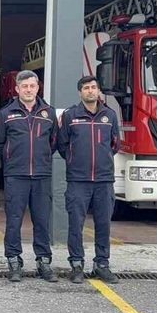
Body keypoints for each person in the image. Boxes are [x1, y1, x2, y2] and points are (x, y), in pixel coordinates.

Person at [0, 70, 59, 283]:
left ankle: (43, 262)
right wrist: (12, 159)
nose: (28, 90)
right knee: (14, 220)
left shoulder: (49, 113)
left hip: (41, 175)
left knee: (41, 220)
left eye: (32, 86)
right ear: (17, 89)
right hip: (16, 175)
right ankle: (14, 261)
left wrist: (42, 158)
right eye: (24, 86)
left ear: (38, 87)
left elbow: (54, 142)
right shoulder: (6, 113)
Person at [56, 76, 120, 284]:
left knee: (103, 224)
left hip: (104, 180)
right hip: (78, 180)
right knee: (76, 224)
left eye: (93, 87)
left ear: (98, 90)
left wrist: (103, 160)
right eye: (86, 88)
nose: (90, 91)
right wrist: (74, 161)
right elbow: (62, 145)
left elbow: (115, 144)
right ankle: (76, 265)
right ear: (80, 92)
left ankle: (102, 264)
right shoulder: (70, 116)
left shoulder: (109, 115)